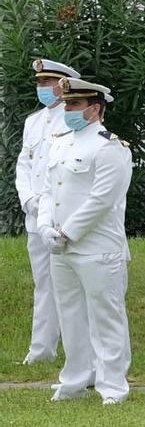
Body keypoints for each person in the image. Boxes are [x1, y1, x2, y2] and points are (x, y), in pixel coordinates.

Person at [37, 78, 131, 405]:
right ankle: (75, 380)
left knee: (106, 315)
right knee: (70, 316)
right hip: (60, 246)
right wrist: (45, 227)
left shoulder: (110, 147)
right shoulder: (60, 143)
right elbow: (48, 190)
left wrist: (67, 232)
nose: (68, 110)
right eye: (67, 104)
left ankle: (113, 385)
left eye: (75, 105)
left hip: (96, 247)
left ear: (95, 109)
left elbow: (101, 199)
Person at [15, 57, 80, 368]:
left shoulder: (72, 119)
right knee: (43, 283)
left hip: (61, 214)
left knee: (69, 284)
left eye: (48, 82)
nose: (42, 87)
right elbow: (24, 164)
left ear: (63, 84)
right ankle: (40, 350)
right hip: (34, 214)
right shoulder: (34, 121)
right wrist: (28, 198)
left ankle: (76, 349)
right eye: (39, 82)